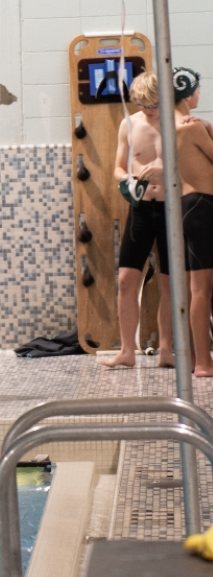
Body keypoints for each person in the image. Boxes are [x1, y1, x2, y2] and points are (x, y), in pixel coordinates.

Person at [102, 71, 173, 369]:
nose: (148, 109)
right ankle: (127, 350)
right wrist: (128, 179)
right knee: (126, 280)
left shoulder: (177, 126)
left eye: (153, 103)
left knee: (170, 284)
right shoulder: (129, 124)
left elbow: (194, 170)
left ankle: (168, 350)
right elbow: (117, 167)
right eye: (143, 104)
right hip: (141, 210)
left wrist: (165, 172)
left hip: (172, 209)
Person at [175, 68, 213, 377]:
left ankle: (194, 358)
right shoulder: (191, 129)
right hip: (204, 206)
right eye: (198, 89)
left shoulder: (171, 126)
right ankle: (203, 362)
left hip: (188, 207)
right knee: (201, 290)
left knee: (193, 289)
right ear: (188, 93)